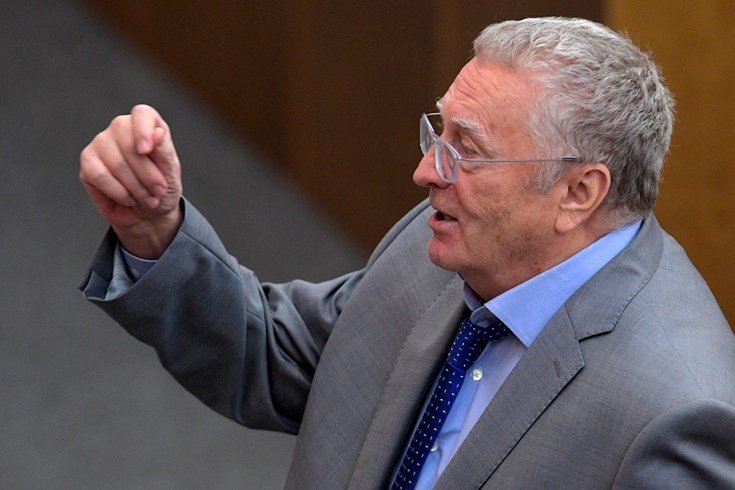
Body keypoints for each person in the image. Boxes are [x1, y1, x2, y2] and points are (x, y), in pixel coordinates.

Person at [79, 17, 735, 489]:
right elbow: (279, 356)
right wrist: (155, 231)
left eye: (468, 151)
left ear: (578, 193)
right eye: (438, 133)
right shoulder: (444, 242)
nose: (426, 172)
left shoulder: (676, 415)